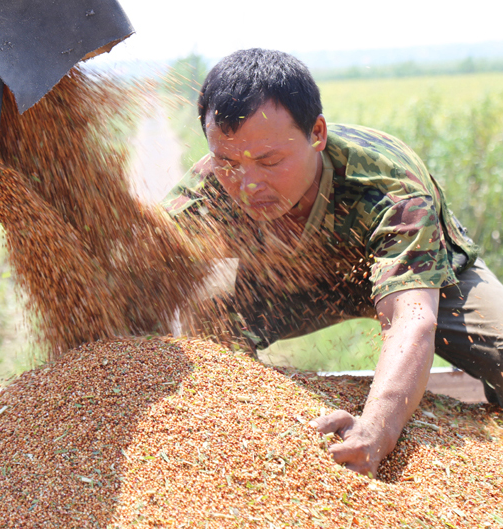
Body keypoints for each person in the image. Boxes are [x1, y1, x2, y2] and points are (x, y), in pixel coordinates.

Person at [161, 48, 503, 478]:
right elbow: (140, 260)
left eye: (269, 161)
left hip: (420, 281)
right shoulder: (207, 190)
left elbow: (412, 319)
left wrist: (375, 430)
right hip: (289, 286)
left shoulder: (387, 184)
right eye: (227, 163)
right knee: (205, 327)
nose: (247, 185)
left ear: (317, 134)